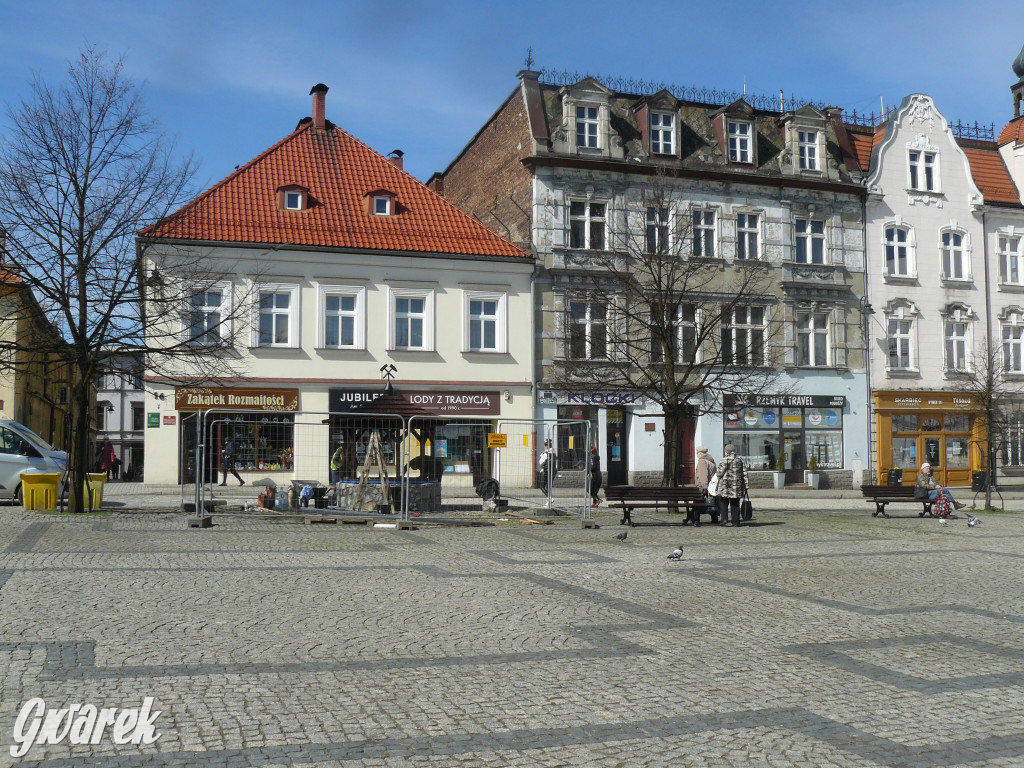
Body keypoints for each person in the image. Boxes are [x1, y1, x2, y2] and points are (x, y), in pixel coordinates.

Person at [716, 443, 747, 527]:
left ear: (726, 451)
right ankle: (736, 522)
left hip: (725, 485)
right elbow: (744, 473)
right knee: (735, 504)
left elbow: (719, 473)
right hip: (737, 486)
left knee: (723, 502)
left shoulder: (724, 460)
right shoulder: (740, 460)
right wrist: (746, 486)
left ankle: (724, 519)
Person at [693, 446, 719, 525]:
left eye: (697, 453)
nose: (697, 455)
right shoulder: (711, 460)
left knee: (698, 503)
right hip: (712, 486)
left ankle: (696, 519)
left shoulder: (702, 462)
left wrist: (704, 487)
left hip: (703, 487)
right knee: (712, 501)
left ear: (700, 454)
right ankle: (714, 518)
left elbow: (703, 476)